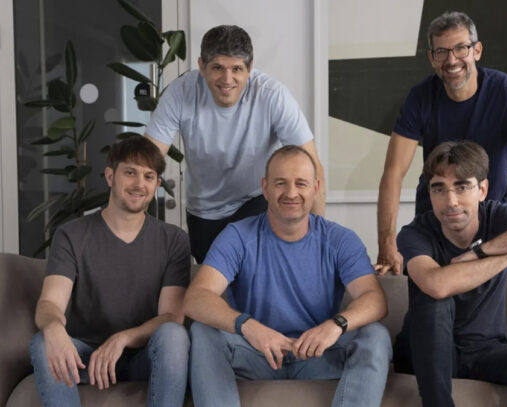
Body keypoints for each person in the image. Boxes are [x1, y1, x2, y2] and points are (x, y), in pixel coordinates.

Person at [183, 145, 391, 407]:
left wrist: (335, 325)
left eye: (301, 183)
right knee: (203, 333)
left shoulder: (340, 239)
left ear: (315, 188)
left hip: (318, 355)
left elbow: (375, 299)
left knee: (375, 336)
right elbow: (196, 298)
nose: (291, 193)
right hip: (255, 354)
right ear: (265, 188)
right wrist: (248, 326)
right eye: (281, 183)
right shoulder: (237, 236)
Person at [376, 11, 507, 277]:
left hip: (492, 220)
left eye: (461, 48)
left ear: (477, 50)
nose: (451, 60)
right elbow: (393, 172)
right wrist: (387, 246)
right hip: (435, 223)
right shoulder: (420, 97)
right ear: (432, 58)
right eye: (441, 52)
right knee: (430, 294)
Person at [394, 141, 507, 407]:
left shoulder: (497, 217)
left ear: (483, 190)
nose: (451, 201)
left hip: (485, 352)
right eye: (439, 189)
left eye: (462, 187)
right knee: (436, 300)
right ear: (429, 193)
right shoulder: (414, 233)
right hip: (424, 354)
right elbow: (437, 284)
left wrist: (481, 252)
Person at [29, 137, 191, 407]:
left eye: (149, 176)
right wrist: (53, 327)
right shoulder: (71, 235)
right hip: (85, 358)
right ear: (110, 176)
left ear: (157, 185)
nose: (139, 184)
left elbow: (171, 316)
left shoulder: (174, 240)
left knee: (174, 335)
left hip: (144, 358)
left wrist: (123, 338)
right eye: (130, 173)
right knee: (42, 341)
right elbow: (49, 304)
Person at [145, 24, 326, 264]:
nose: (227, 80)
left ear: (249, 68)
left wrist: (318, 243)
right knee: (214, 278)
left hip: (256, 199)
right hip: (205, 210)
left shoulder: (272, 95)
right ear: (202, 66)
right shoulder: (180, 93)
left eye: (237, 69)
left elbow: (312, 167)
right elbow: (148, 160)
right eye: (218, 68)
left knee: (259, 272)